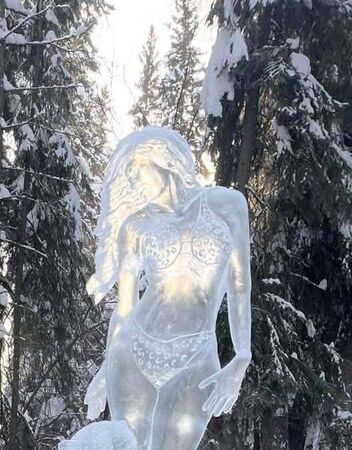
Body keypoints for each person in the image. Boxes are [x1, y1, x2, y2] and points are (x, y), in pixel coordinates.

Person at [76, 127, 252, 450]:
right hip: (133, 352)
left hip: (197, 357)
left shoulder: (228, 207)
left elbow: (239, 286)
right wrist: (104, 368)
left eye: (136, 172)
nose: (133, 183)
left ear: (161, 160)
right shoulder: (136, 226)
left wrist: (242, 356)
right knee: (127, 445)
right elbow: (124, 309)